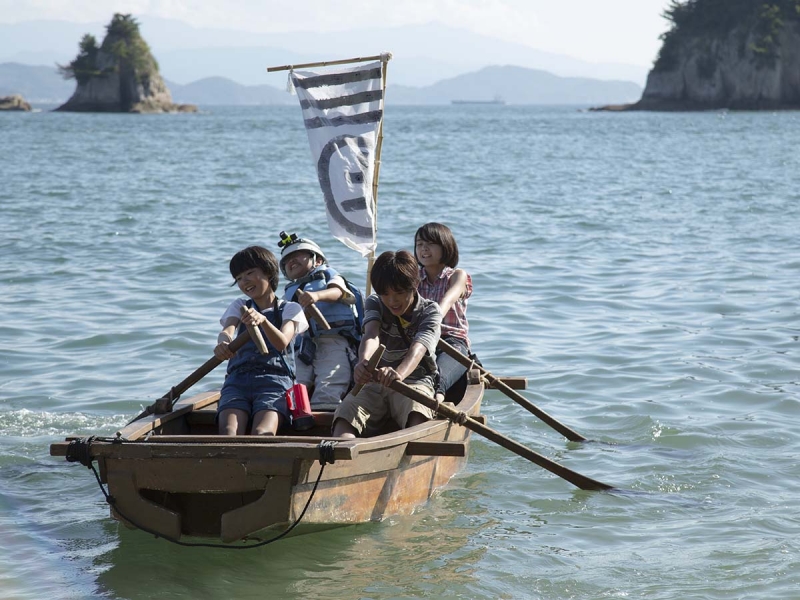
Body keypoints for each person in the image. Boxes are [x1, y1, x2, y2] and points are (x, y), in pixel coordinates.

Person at [332, 250, 441, 439]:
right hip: (375, 382)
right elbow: (371, 334)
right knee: (346, 412)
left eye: (399, 293)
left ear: (415, 285)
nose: (392, 301)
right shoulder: (375, 302)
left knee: (417, 413)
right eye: (385, 294)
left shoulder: (430, 310)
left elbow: (419, 347)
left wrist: (399, 374)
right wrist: (363, 363)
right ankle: (343, 452)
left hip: (414, 382)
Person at [214, 246, 308, 436]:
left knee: (262, 432)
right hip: (237, 380)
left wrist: (263, 321)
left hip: (274, 382)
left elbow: (282, 343)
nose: (244, 281)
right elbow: (227, 331)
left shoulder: (290, 309)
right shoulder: (240, 306)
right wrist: (223, 344)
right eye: (239, 278)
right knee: (229, 432)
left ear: (268, 272)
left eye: (249, 273)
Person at [278, 231, 362, 407]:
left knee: (330, 380)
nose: (291, 261)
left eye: (297, 255)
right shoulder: (289, 293)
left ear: (318, 260)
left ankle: (325, 409)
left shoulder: (329, 275)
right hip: (302, 346)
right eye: (287, 261)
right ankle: (296, 413)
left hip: (333, 340)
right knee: (295, 381)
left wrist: (316, 296)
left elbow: (338, 292)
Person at [414, 222, 473, 400]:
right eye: (419, 244)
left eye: (430, 244)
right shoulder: (413, 278)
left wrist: (431, 320)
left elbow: (447, 301)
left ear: (445, 247)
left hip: (451, 342)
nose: (424, 249)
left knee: (438, 379)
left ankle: (437, 399)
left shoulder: (457, 276)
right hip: (420, 338)